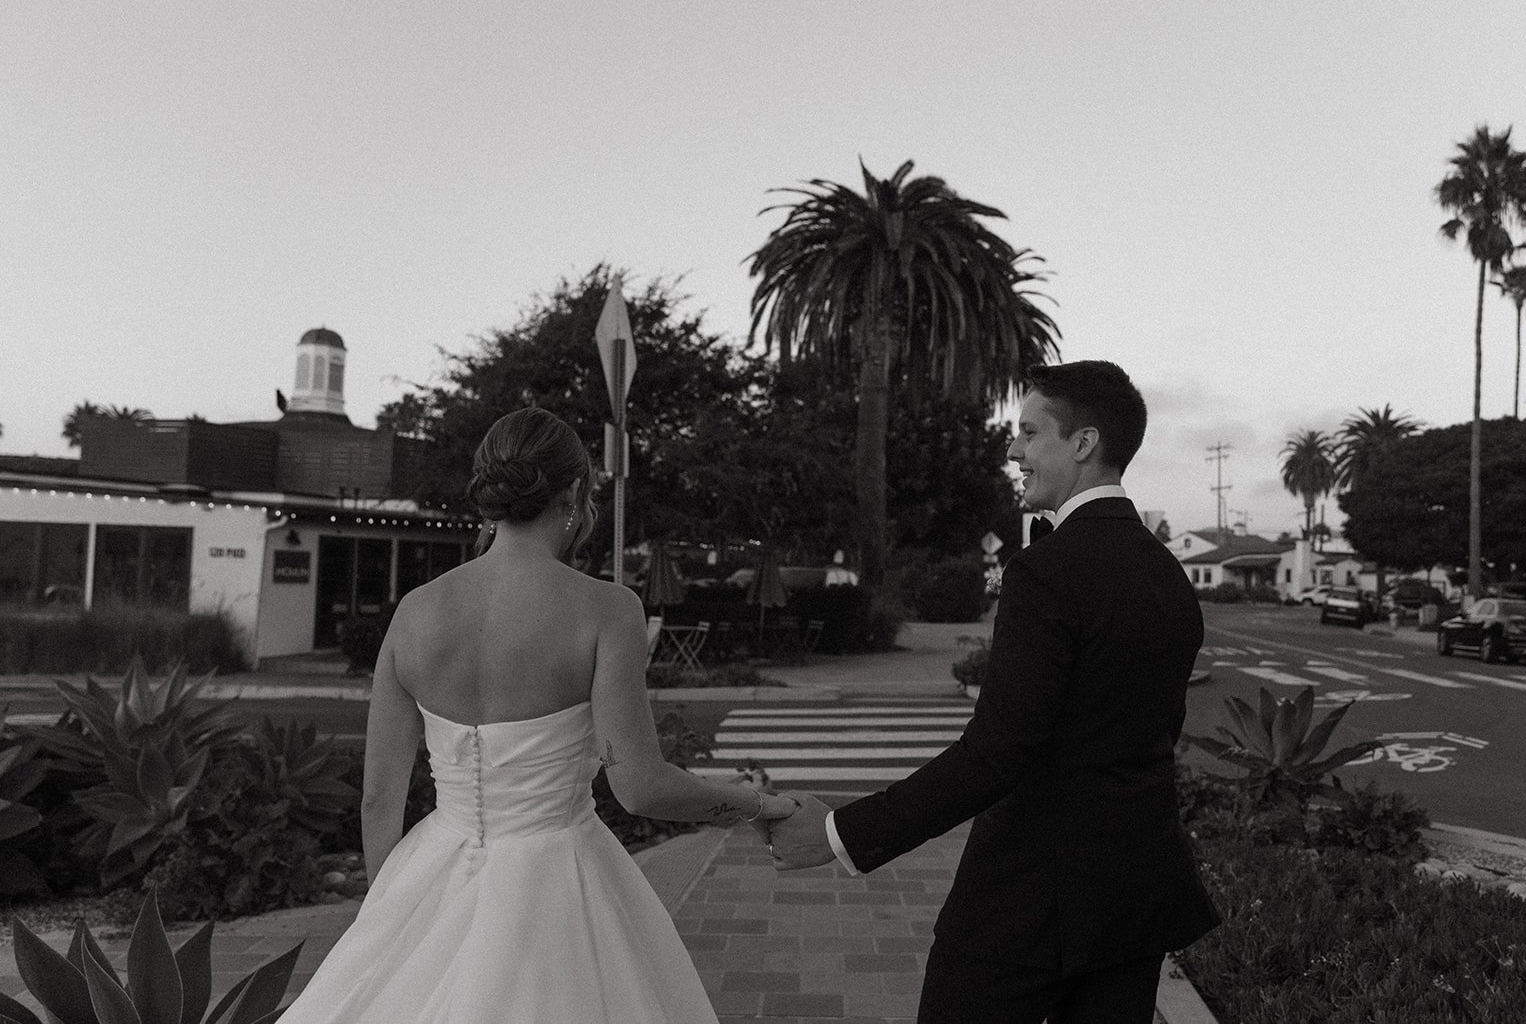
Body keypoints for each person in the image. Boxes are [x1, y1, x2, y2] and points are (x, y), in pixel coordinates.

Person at [280, 407, 794, 1023]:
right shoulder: (606, 610)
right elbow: (638, 786)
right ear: (574, 493)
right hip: (560, 878)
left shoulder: (414, 612)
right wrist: (756, 805)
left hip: (434, 866)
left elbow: (377, 802)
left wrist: (392, 916)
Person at [766, 360, 1220, 1024]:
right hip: (1133, 898)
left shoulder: (1046, 572)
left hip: (1026, 898)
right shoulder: (1169, 576)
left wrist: (840, 833)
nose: (1014, 449)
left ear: (1084, 443)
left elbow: (998, 752)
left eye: (1030, 432)